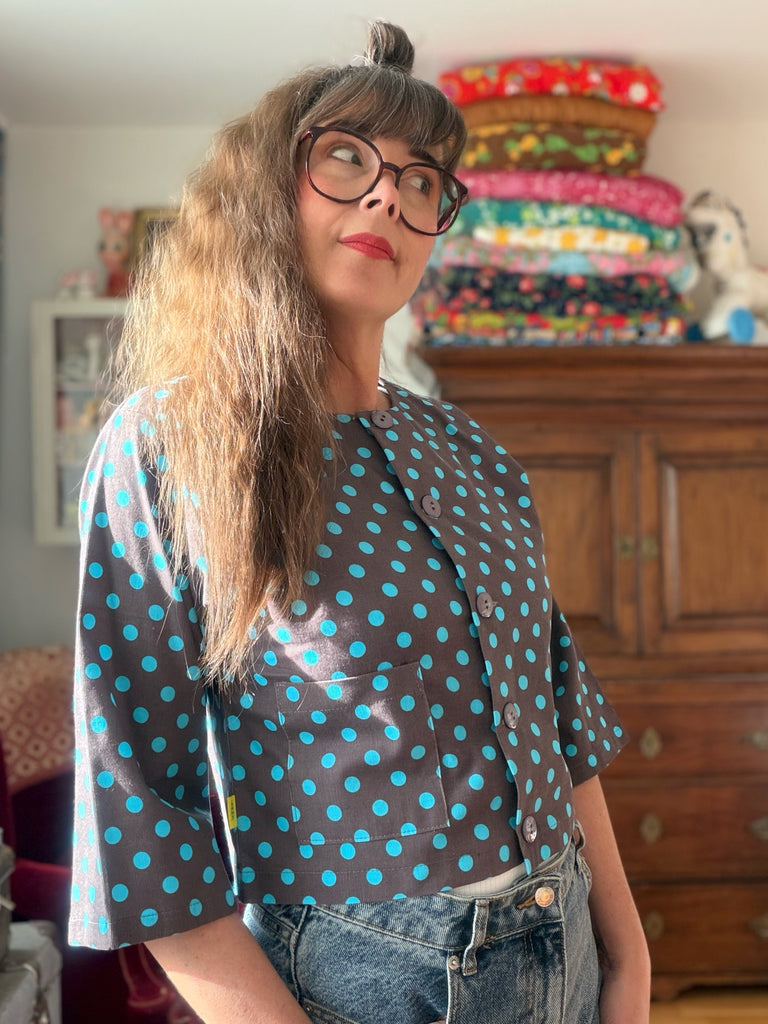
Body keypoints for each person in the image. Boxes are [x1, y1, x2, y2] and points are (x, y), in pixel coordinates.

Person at [70, 21, 650, 1024]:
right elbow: (138, 818)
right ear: (267, 191)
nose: (389, 194)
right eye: (346, 158)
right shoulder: (168, 446)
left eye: (423, 180)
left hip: (569, 949)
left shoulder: (474, 454)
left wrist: (630, 957)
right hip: (367, 980)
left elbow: (559, 719)